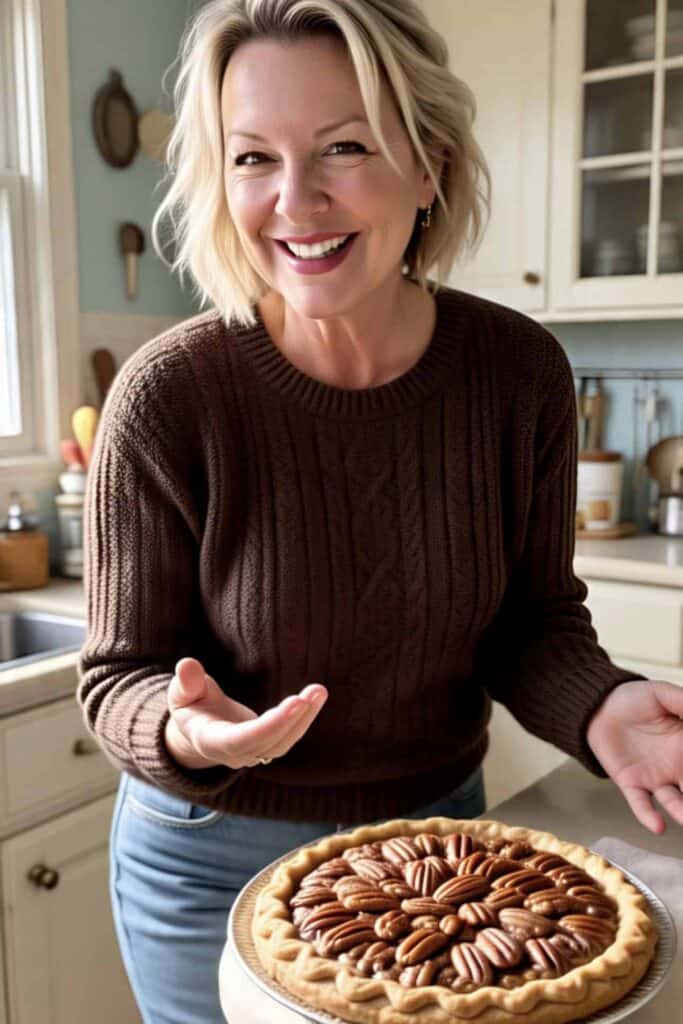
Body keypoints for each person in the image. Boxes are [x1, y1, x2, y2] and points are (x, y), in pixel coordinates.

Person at [76, 1, 683, 1021]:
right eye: (251, 157)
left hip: (440, 852)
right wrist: (185, 730)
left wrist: (600, 706)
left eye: (343, 147)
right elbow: (116, 676)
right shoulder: (167, 395)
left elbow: (530, 623)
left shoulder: (514, 373)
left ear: (429, 162)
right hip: (203, 867)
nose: (293, 200)